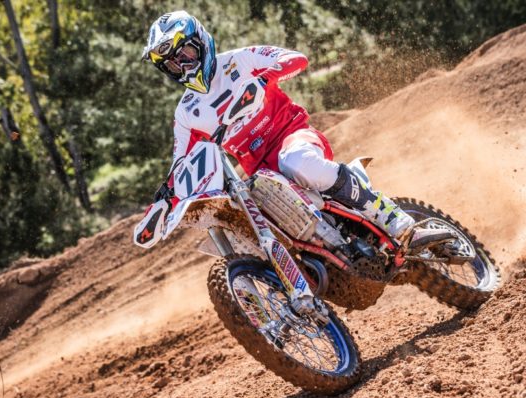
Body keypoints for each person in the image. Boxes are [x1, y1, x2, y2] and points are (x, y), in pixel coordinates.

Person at [142, 11, 453, 252]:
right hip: (261, 176)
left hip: (293, 138)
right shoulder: (186, 112)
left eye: (184, 55)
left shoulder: (239, 61)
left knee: (296, 161)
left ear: (200, 41)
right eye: (172, 65)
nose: (182, 67)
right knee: (249, 223)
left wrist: (263, 79)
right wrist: (165, 198)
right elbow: (180, 162)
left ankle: (401, 224)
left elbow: (296, 59)